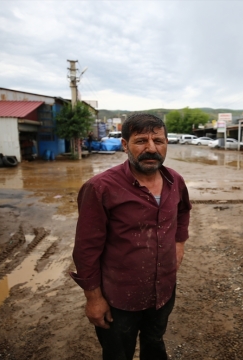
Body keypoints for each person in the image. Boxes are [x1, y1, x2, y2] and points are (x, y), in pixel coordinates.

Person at [70, 113, 192, 360]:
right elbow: (86, 249)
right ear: (124, 144)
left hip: (163, 291)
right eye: (141, 141)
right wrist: (93, 298)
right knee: (118, 354)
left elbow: (183, 210)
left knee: (154, 343)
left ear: (167, 143)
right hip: (119, 299)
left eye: (158, 141)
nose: (151, 148)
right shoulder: (100, 188)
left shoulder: (174, 180)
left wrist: (179, 242)